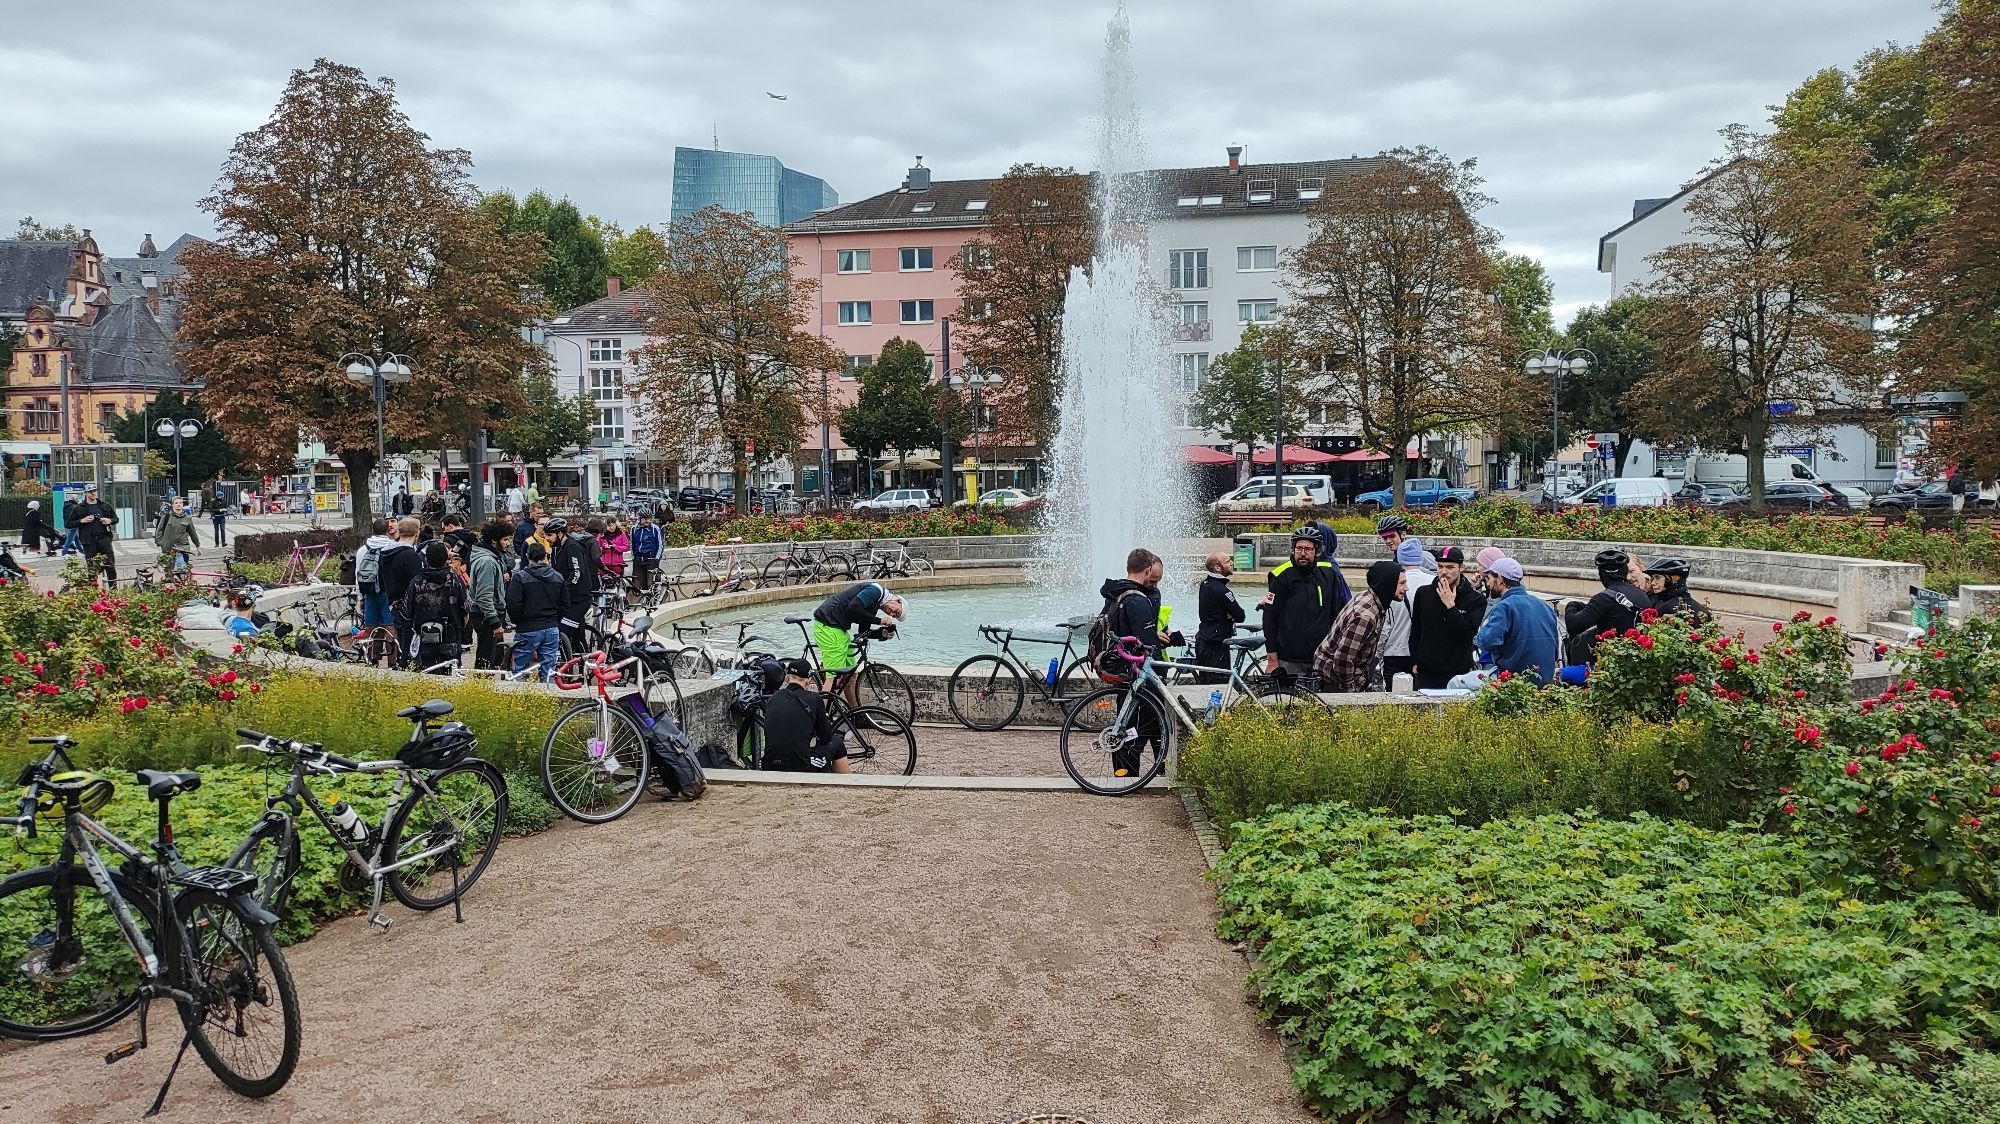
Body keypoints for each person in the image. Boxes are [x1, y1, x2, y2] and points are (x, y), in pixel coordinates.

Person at [1098, 547, 1175, 777]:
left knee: (1131, 721)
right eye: (1153, 580)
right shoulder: (1136, 599)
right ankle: (1130, 774)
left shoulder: (1115, 593)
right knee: (1139, 725)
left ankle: (1129, 771)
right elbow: (1147, 642)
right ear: (1148, 568)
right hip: (1138, 672)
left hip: (1121, 666)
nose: (1155, 586)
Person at [1261, 529, 1347, 681]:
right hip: (1290, 657)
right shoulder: (1280, 576)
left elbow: (1336, 614)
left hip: (1322, 655)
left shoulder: (1329, 574)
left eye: (1308, 549)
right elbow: (1269, 619)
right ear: (1292, 550)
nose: (1302, 553)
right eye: (1299, 548)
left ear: (1317, 552)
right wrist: (1272, 660)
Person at [811, 580, 907, 708]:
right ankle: (821, 720)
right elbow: (853, 608)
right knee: (833, 677)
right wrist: (879, 621)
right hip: (828, 626)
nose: (892, 614)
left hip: (839, 630)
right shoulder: (876, 590)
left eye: (895, 616)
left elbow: (863, 632)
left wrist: (880, 633)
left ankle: (856, 714)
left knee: (850, 676)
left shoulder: (874, 604)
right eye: (897, 611)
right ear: (898, 600)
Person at [1470, 557, 1562, 685]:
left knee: (1455, 683)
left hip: (1515, 680)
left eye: (1489, 579)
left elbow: (1487, 642)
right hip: (1545, 679)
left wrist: (1477, 637)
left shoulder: (1504, 606)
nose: (1488, 585)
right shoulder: (1543, 605)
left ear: (1500, 579)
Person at [1315, 561, 1403, 692]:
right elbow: (1343, 659)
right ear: (1388, 584)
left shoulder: (1371, 598)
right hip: (1334, 682)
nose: (1406, 588)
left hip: (1339, 676)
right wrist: (1351, 693)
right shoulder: (1366, 617)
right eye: (1402, 583)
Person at [1409, 546, 1488, 689]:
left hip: (1458, 673)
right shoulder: (1424, 593)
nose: (1444, 572)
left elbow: (1467, 634)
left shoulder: (1476, 600)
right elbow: (1415, 631)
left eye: (1450, 567)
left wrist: (1451, 606)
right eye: (1440, 567)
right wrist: (1415, 660)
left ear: (1461, 568)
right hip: (1427, 672)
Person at [1563, 548, 1654, 668]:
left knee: (1562, 674)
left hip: (1614, 666)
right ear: (1624, 571)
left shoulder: (1603, 599)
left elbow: (1573, 626)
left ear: (1601, 574)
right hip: (1638, 661)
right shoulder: (1641, 594)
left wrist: (1572, 605)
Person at [761, 658, 851, 773]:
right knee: (837, 743)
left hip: (769, 764)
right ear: (808, 682)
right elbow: (825, 738)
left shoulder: (773, 698)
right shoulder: (814, 699)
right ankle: (844, 784)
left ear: (787, 678)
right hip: (801, 767)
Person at [401, 540, 469, 670]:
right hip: (450, 635)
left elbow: (407, 611)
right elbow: (465, 610)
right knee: (452, 674)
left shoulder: (416, 581)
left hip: (424, 638)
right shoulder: (454, 580)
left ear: (426, 559)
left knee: (426, 673)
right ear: (446, 559)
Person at [1377, 539, 1435, 683]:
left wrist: (1379, 653)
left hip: (1395, 651)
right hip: (1425, 652)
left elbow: (1385, 626)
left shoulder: (1393, 584)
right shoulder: (1434, 582)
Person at [506, 542, 565, 681]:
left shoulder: (520, 577)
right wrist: (555, 619)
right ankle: (549, 698)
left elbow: (513, 604)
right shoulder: (558, 577)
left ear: (527, 556)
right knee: (549, 668)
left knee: (519, 668)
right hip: (551, 627)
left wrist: (519, 621)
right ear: (545, 556)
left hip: (528, 627)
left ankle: (518, 700)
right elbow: (565, 604)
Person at [1194, 551, 1246, 683]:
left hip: (1203, 639)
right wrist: (1229, 615)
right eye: (1228, 562)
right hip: (1216, 644)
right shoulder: (1222, 590)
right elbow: (1240, 616)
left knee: (1204, 682)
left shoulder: (1205, 584)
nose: (1232, 563)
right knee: (1218, 684)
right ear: (1217, 568)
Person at [467, 521, 511, 670]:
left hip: (488, 614)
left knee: (493, 657)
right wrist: (495, 622)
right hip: (487, 616)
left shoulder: (490, 557)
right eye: (505, 539)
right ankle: (482, 687)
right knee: (486, 659)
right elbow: (484, 596)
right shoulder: (487, 561)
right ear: (494, 540)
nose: (508, 543)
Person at [380, 517, 424, 657]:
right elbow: (418, 583)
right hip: (409, 607)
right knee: (411, 647)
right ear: (416, 535)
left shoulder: (385, 553)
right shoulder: (410, 555)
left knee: (401, 641)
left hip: (393, 603)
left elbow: (381, 582)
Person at [1642, 557, 1712, 623]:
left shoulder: (1665, 609)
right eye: (1652, 578)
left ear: (1674, 579)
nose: (1653, 583)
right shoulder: (1702, 611)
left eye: (1657, 578)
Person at [73, 486, 118, 586]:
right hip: (89, 542)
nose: (93, 493)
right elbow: (68, 524)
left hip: (104, 540)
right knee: (92, 568)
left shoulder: (105, 506)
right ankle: (93, 591)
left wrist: (109, 520)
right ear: (85, 493)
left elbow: (116, 519)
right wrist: (82, 521)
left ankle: (114, 591)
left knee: (110, 566)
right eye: (90, 491)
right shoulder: (79, 508)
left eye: (94, 491)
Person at [153, 495, 201, 576]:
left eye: (180, 503)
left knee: (182, 567)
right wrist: (160, 542)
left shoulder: (187, 518)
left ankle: (183, 582)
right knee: (169, 569)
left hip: (183, 547)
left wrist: (197, 546)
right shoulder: (167, 516)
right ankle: (171, 581)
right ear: (172, 505)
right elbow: (159, 530)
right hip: (169, 546)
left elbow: (192, 532)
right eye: (176, 503)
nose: (178, 504)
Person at [630, 510, 663, 595]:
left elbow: (660, 545)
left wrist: (656, 559)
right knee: (636, 587)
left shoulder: (654, 529)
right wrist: (634, 558)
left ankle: (653, 602)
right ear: (640, 519)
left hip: (651, 559)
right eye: (645, 519)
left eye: (648, 518)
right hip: (638, 560)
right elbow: (632, 544)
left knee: (651, 585)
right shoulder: (634, 529)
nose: (647, 521)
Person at [598, 518, 629, 587]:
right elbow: (596, 548)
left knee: (617, 584)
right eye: (609, 525)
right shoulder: (601, 536)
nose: (611, 527)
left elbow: (626, 547)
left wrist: (615, 547)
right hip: (604, 564)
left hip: (617, 564)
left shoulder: (621, 534)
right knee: (604, 584)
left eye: (613, 525)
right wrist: (603, 548)